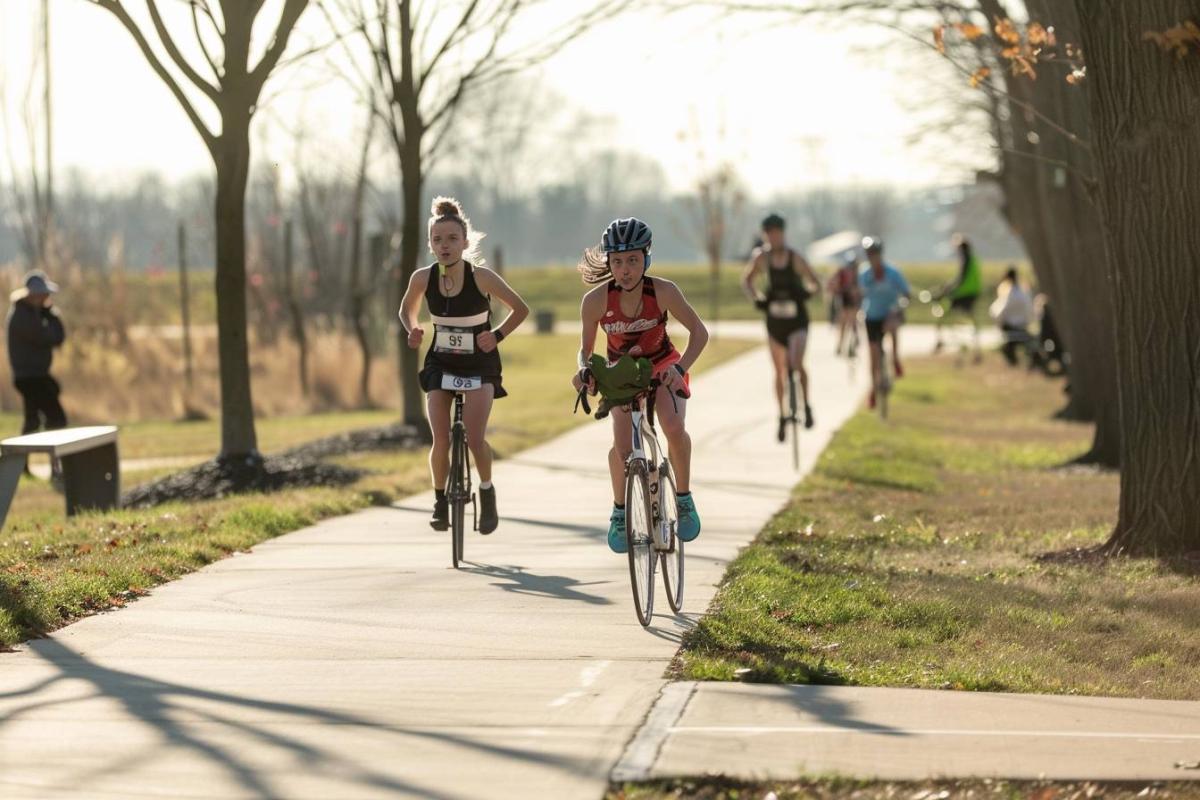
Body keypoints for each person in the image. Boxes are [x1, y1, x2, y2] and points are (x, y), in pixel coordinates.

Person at [572, 217, 709, 554]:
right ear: (609, 263)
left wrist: (680, 368)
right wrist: (584, 371)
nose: (625, 270)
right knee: (622, 447)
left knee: (673, 425)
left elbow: (699, 333)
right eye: (617, 261)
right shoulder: (595, 301)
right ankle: (620, 512)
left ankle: (684, 498)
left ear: (647, 258)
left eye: (633, 260)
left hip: (662, 364)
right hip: (622, 372)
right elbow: (585, 352)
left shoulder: (663, 291)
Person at [399, 197, 529, 534]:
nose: (444, 246)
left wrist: (496, 336)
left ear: (465, 242)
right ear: (430, 244)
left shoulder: (481, 277)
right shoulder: (422, 278)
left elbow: (520, 309)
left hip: (479, 363)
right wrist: (413, 329)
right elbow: (406, 309)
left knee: (474, 438)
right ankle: (440, 501)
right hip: (440, 361)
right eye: (438, 240)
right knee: (440, 439)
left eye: (452, 239)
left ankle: (486, 491)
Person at [741, 213, 821, 439]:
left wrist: (807, 293)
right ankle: (782, 415)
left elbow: (815, 282)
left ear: (783, 233)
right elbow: (747, 280)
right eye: (769, 233)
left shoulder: (794, 257)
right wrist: (757, 298)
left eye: (777, 233)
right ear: (765, 235)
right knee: (779, 371)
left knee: (796, 363)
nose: (773, 237)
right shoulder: (762, 258)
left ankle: (806, 405)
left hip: (797, 321)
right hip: (775, 321)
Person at [7, 271, 68, 437]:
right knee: (57, 419)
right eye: (44, 294)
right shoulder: (23, 316)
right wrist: (52, 317)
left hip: (35, 375)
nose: (47, 297)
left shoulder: (33, 313)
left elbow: (57, 337)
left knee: (32, 421)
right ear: (34, 295)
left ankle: (24, 454)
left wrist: (49, 315)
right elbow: (50, 338)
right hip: (31, 378)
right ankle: (52, 450)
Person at [858, 237, 911, 409]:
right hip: (872, 316)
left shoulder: (893, 273)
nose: (872, 257)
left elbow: (906, 294)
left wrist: (898, 308)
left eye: (875, 254)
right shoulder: (864, 274)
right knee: (873, 356)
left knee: (892, 324)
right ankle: (873, 388)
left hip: (890, 313)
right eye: (869, 254)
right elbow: (859, 295)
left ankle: (895, 358)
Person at [935, 233, 983, 359]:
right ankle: (976, 349)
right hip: (973, 293)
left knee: (942, 311)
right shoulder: (972, 259)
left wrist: (945, 290)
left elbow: (960, 279)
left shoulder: (966, 260)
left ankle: (940, 340)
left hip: (964, 293)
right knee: (971, 319)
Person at [990, 265, 1035, 366]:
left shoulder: (1009, 293)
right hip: (1024, 326)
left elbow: (998, 312)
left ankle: (1012, 359)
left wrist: (998, 324)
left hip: (1011, 328)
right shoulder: (1024, 292)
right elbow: (1030, 312)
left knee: (1009, 339)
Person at [827, 251, 862, 358]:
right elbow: (832, 285)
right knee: (843, 323)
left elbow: (862, 288)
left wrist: (856, 292)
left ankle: (853, 344)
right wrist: (838, 289)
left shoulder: (859, 274)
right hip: (844, 300)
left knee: (853, 322)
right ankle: (840, 345)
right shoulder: (841, 273)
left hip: (854, 301)